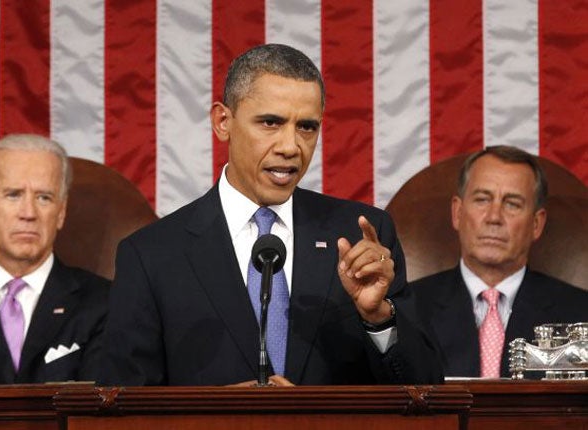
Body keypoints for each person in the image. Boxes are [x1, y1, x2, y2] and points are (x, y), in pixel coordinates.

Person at [100, 44, 442, 386]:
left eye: (306, 127)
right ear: (223, 122)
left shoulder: (361, 236)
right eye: (271, 123)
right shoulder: (151, 255)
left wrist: (378, 318)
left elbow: (426, 391)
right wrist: (212, 414)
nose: (291, 146)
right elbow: (122, 407)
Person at [411, 145, 588, 378]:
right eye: (482, 199)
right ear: (458, 213)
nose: (494, 217)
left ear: (536, 224)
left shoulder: (580, 312)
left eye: (512, 203)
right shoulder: (408, 308)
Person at [0, 134, 110, 384]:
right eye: (13, 195)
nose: (28, 213)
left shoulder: (105, 303)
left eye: (44, 197)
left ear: (61, 212)